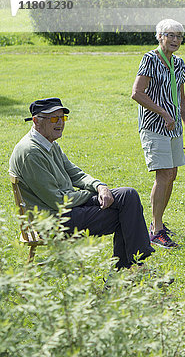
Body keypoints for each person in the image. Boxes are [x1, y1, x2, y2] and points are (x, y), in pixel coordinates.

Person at [9, 97, 154, 269]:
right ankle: (129, 271)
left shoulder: (49, 143)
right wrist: (90, 196)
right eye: (54, 119)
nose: (60, 123)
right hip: (51, 219)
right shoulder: (30, 152)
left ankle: (131, 269)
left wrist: (100, 187)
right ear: (36, 121)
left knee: (128, 195)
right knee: (123, 215)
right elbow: (56, 200)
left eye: (62, 118)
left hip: (68, 207)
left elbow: (75, 173)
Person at [132, 18, 185, 249]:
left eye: (179, 36)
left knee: (172, 174)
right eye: (171, 35)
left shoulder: (178, 63)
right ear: (160, 36)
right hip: (154, 127)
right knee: (164, 174)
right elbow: (137, 93)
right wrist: (164, 114)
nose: (175, 40)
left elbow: (181, 97)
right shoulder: (149, 59)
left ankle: (158, 223)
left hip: (175, 128)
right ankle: (156, 230)